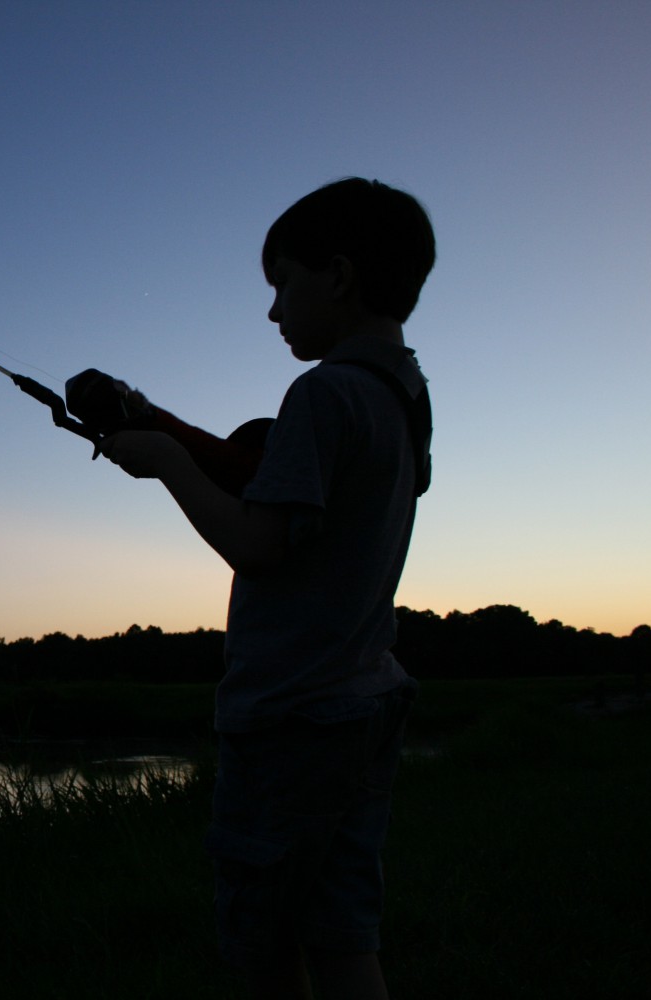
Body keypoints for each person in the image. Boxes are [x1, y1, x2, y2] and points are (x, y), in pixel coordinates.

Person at [99, 177, 435, 1000]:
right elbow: (275, 485)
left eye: (282, 283)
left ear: (339, 275)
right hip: (365, 703)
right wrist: (164, 421)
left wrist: (168, 464)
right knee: (343, 935)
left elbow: (261, 543)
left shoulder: (320, 395)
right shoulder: (403, 396)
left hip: (290, 717)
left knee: (263, 947)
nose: (275, 310)